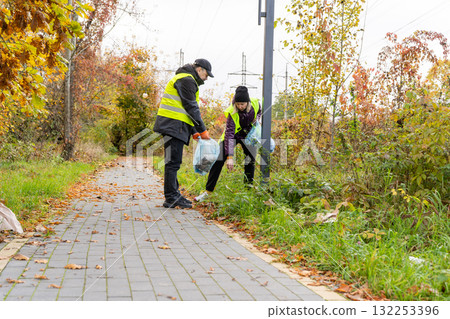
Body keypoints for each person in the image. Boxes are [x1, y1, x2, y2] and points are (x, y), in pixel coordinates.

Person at [154, 58, 213, 208]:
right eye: (206, 75)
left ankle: (174, 194)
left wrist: (194, 131)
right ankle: (171, 197)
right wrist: (202, 130)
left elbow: (184, 108)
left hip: (174, 125)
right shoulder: (187, 80)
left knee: (173, 162)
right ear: (199, 69)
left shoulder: (185, 79)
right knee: (173, 163)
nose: (206, 79)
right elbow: (191, 107)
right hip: (173, 125)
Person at [195, 86, 261, 202]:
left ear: (248, 102)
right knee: (219, 159)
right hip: (233, 135)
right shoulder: (232, 111)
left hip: (248, 136)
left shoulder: (256, 104)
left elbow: (260, 111)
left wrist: (257, 119)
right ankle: (208, 191)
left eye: (243, 104)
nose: (240, 106)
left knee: (250, 160)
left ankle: (248, 191)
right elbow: (229, 134)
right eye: (238, 104)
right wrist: (230, 157)